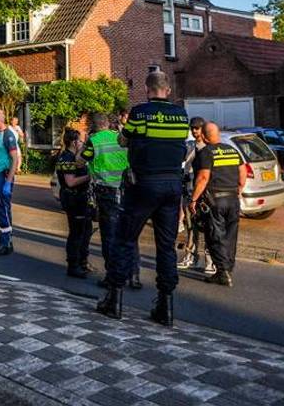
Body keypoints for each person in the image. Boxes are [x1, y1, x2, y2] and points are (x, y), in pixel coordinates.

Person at [97, 69, 190, 327]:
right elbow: (180, 145)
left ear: (148, 90)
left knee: (125, 239)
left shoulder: (140, 113)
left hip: (144, 184)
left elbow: (123, 140)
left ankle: (114, 299)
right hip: (172, 186)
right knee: (166, 245)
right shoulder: (181, 116)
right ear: (168, 90)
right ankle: (165, 305)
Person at [190, 122, 246, 287]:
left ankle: (222, 272)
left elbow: (203, 178)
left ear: (205, 137)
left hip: (215, 200)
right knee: (230, 235)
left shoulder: (206, 152)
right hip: (233, 199)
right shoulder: (233, 150)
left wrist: (193, 200)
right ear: (219, 134)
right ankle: (228, 268)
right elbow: (242, 172)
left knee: (215, 235)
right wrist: (240, 188)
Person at [84, 112, 131, 287]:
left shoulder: (94, 141)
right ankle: (129, 273)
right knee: (125, 233)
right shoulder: (119, 136)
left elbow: (81, 161)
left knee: (109, 235)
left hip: (106, 192)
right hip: (125, 189)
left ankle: (112, 277)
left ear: (93, 126)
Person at [54, 128, 92, 278]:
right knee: (76, 233)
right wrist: (90, 177)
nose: (83, 143)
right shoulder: (67, 158)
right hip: (73, 199)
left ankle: (82, 261)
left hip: (79, 198)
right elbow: (70, 182)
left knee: (85, 229)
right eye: (81, 141)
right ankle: (73, 265)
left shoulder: (74, 156)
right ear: (74, 142)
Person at [178, 117, 211, 272]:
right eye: (192, 128)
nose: (194, 131)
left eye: (197, 128)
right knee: (191, 226)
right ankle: (191, 256)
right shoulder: (190, 145)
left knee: (207, 228)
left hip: (202, 193)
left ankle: (209, 260)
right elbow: (181, 158)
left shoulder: (208, 148)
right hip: (189, 190)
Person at [0, 108, 21, 256]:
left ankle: (5, 243)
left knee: (2, 209)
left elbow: (14, 159)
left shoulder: (9, 135)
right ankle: (4, 241)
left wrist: (8, 182)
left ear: (1, 120)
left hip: (3, 176)